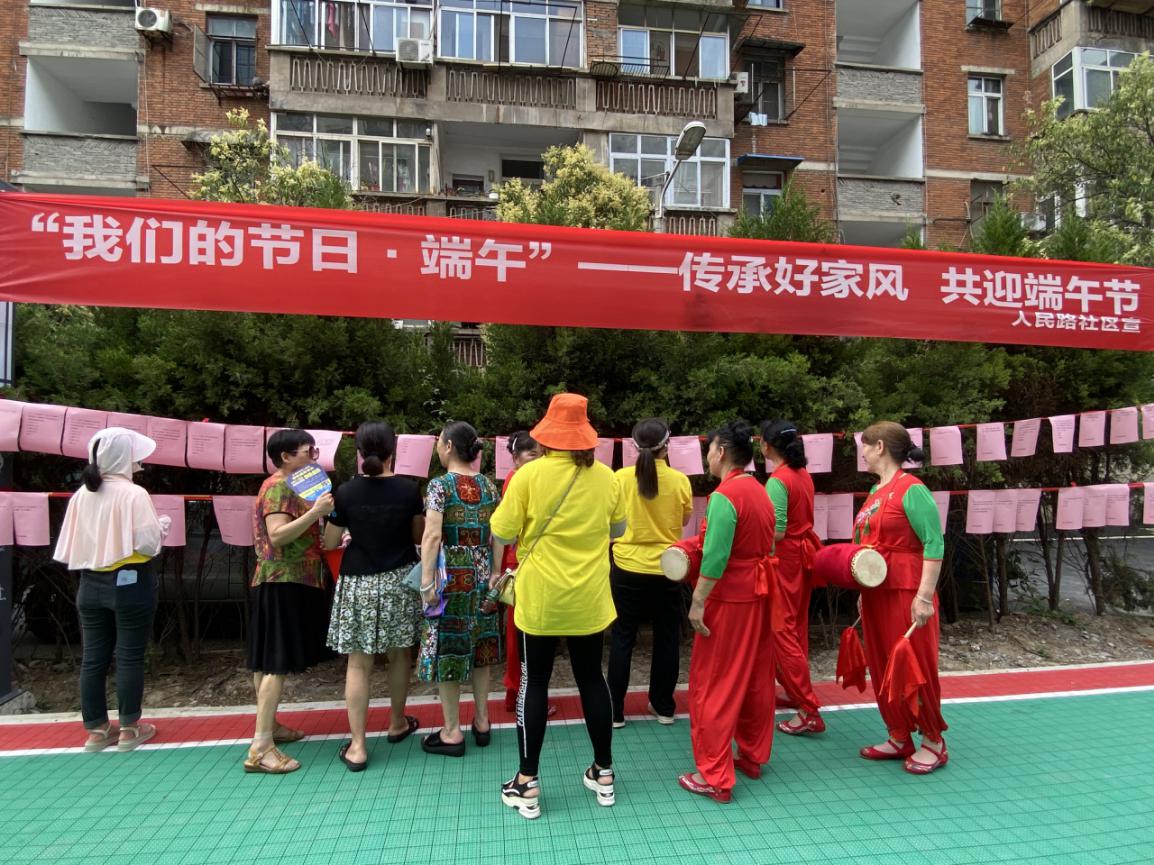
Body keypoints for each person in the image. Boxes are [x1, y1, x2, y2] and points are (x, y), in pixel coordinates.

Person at [490, 393, 628, 820]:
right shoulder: (607, 478)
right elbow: (619, 530)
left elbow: (503, 532)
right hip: (589, 597)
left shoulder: (528, 476)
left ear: (547, 435)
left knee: (534, 682)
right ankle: (603, 772)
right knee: (592, 679)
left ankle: (527, 781)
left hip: (541, 599)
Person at [54, 427, 170, 753]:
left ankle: (96, 730)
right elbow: (147, 544)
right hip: (131, 580)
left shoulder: (82, 494)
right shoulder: (134, 494)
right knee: (129, 655)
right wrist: (161, 527)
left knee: (93, 658)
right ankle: (130, 728)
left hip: (89, 583)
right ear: (123, 457)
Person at [680, 420, 776, 804]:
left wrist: (698, 600)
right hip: (758, 594)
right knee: (752, 676)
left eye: (709, 449)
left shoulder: (725, 496)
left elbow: (716, 557)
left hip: (729, 598)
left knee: (713, 683)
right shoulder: (759, 490)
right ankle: (751, 755)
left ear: (721, 452)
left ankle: (715, 775)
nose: (707, 456)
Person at [323, 421, 425, 771]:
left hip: (358, 582)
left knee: (358, 663)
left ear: (359, 452)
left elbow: (330, 542)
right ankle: (397, 723)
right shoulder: (409, 491)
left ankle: (358, 746)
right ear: (393, 451)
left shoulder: (345, 492)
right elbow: (417, 536)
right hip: (399, 580)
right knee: (400, 655)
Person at [855, 421, 949, 775]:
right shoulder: (875, 491)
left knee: (914, 664)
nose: (863, 453)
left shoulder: (912, 489)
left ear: (880, 447)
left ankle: (933, 741)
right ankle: (898, 734)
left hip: (907, 592)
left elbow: (934, 543)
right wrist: (863, 590)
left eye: (865, 446)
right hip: (878, 592)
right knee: (883, 664)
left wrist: (924, 596)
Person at [245, 429, 335, 774]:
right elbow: (278, 535)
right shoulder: (279, 486)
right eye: (307, 451)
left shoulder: (292, 485)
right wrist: (316, 513)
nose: (313, 456)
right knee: (275, 664)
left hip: (285, 579)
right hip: (282, 580)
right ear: (285, 456)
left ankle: (270, 726)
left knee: (266, 662)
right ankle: (261, 747)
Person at [417, 421, 502, 757]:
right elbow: (499, 533)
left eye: (440, 442)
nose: (438, 447)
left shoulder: (440, 486)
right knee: (481, 648)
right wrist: (495, 572)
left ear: (449, 446)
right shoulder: (489, 486)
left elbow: (432, 535)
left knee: (449, 650)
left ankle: (451, 731)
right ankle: (482, 721)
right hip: (482, 575)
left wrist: (427, 582)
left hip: (451, 578)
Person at [607, 418, 692, 728]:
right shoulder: (679, 481)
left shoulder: (619, 478)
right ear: (666, 447)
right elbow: (683, 521)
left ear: (633, 447)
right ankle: (664, 706)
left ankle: (615, 711)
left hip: (626, 565)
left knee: (622, 636)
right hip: (667, 567)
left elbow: (610, 518)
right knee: (667, 637)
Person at [761, 419, 824, 736]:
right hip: (801, 557)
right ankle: (795, 691)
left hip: (784, 559)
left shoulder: (778, 480)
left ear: (767, 446)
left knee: (782, 631)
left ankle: (808, 707)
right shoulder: (802, 475)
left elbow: (777, 531)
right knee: (795, 629)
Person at [499, 431, 547, 713]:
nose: (538, 460)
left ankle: (516, 692)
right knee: (522, 633)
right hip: (520, 564)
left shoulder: (522, 479)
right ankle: (519, 693)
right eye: (532, 454)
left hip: (521, 561)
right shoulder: (518, 480)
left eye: (541, 455)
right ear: (516, 458)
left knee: (522, 632)